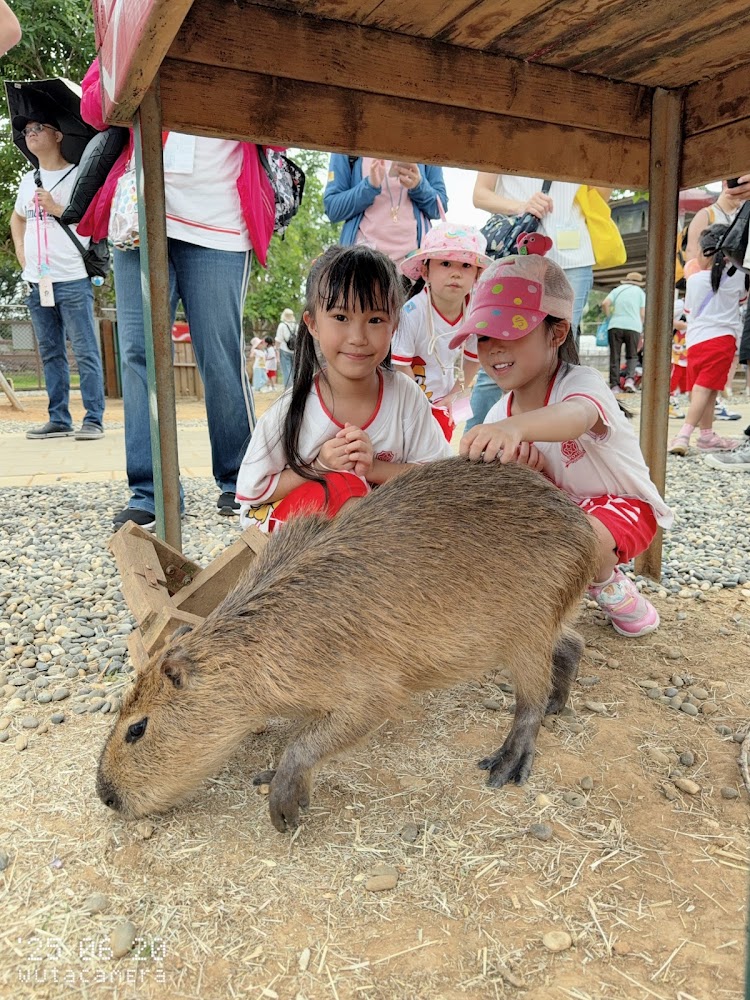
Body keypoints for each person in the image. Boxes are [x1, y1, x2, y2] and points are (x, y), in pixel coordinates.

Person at [78, 59, 278, 529]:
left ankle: (239, 479)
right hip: (141, 214)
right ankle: (149, 490)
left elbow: (280, 122)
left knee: (220, 354)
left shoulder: (242, 34)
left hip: (222, 219)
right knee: (138, 352)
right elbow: (92, 106)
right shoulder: (137, 16)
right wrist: (130, 67)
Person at [457, 253, 672, 639]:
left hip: (622, 508)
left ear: (556, 334)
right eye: (485, 335)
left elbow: (578, 416)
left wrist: (515, 429)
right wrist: (526, 470)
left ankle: (611, 585)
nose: (494, 348)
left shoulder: (580, 383)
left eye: (512, 331)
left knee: (575, 537)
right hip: (561, 514)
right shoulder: (498, 415)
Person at [235, 244, 451, 532]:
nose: (358, 337)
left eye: (375, 320)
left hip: (381, 534)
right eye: (340, 318)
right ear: (312, 324)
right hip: (296, 543)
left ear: (394, 326)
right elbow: (253, 491)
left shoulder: (406, 396)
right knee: (343, 484)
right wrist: (319, 467)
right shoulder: (291, 408)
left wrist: (374, 469)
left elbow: (439, 477)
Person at [468, 174, 605, 430]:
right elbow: (480, 194)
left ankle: (560, 444)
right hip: (519, 256)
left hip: (574, 257)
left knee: (562, 354)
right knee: (497, 349)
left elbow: (600, 192)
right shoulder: (502, 138)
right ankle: (473, 446)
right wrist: (520, 206)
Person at [10, 115, 105, 441]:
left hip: (74, 278)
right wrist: (23, 256)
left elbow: (96, 219)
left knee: (85, 351)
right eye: (26, 131)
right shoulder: (27, 180)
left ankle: (94, 419)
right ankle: (59, 419)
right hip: (38, 282)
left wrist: (58, 208)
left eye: (37, 128)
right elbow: (17, 219)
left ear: (59, 135)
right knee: (51, 352)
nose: (30, 134)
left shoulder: (80, 175)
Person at [392, 223, 490, 441]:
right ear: (425, 271)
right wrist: (422, 406)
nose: (456, 273)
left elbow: (473, 360)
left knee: (439, 455)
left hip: (444, 400)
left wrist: (454, 395)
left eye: (466, 265)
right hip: (406, 400)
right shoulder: (412, 312)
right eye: (445, 263)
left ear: (477, 275)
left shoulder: (474, 312)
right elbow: (400, 365)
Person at [669, 224, 747, 457]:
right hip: (721, 340)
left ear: (704, 252)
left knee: (703, 389)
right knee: (707, 389)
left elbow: (690, 311)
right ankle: (684, 434)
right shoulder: (739, 276)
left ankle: (706, 435)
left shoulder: (693, 280)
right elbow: (742, 300)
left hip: (695, 341)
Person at [323, 156, 447, 265]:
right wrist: (369, 186)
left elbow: (440, 207)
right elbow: (333, 208)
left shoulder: (425, 140)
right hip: (362, 266)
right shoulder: (349, 140)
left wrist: (419, 186)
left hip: (414, 268)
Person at [602, 272, 646, 393]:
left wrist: (609, 317)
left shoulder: (618, 290)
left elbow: (605, 303)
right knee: (632, 355)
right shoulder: (640, 292)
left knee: (614, 357)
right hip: (634, 327)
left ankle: (614, 386)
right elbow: (642, 313)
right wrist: (640, 327)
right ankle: (629, 380)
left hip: (615, 325)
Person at [669, 294, 687, 419]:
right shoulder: (680, 304)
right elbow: (664, 318)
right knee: (674, 376)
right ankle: (669, 403)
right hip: (676, 349)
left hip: (687, 348)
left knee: (683, 379)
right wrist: (682, 325)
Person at [275, 307, 296, 387]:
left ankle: (288, 387)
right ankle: (294, 387)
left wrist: (276, 349)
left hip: (284, 349)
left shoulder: (282, 325)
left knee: (286, 369)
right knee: (294, 369)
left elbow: (278, 339)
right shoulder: (296, 325)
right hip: (294, 350)